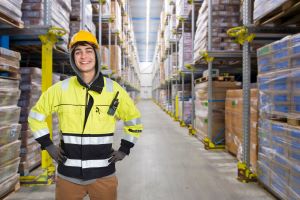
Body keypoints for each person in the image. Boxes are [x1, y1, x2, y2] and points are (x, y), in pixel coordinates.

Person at [28, 30, 143, 200]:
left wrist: (125, 149)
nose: (84, 56)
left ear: (96, 55)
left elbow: (134, 122)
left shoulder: (114, 90)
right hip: (68, 177)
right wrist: (48, 145)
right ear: (72, 58)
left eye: (89, 51)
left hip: (103, 176)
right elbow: (35, 117)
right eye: (78, 52)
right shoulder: (61, 89)